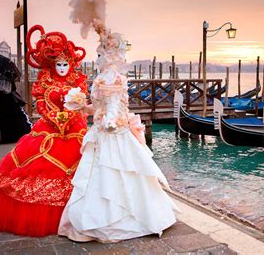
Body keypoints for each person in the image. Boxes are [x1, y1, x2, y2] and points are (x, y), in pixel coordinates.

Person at [58, 18, 178, 242]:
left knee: (119, 171)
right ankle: (102, 218)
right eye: (99, 54)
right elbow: (102, 105)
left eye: (101, 54)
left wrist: (110, 120)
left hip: (113, 131)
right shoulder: (104, 77)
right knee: (104, 174)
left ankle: (127, 218)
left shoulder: (113, 77)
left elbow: (114, 104)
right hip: (104, 130)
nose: (98, 58)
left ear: (111, 55)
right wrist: (84, 107)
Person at [0, 25, 88, 237]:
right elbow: (41, 105)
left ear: (71, 63)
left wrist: (71, 117)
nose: (63, 68)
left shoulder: (78, 81)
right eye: (59, 64)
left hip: (74, 128)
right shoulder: (45, 81)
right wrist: (54, 118)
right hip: (49, 129)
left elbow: (81, 105)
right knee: (36, 165)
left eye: (66, 63)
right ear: (51, 64)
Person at [0, 54, 32, 143]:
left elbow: (6, 89)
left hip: (4, 101)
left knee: (4, 118)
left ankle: (2, 136)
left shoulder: (5, 76)